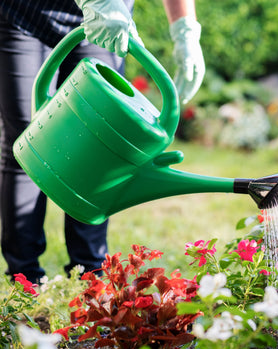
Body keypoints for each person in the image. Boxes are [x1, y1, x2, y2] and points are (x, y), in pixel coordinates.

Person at [0, 0, 205, 283]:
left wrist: (185, 30)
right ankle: (24, 278)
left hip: (108, 19)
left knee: (102, 142)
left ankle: (90, 273)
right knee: (29, 140)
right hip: (27, 13)